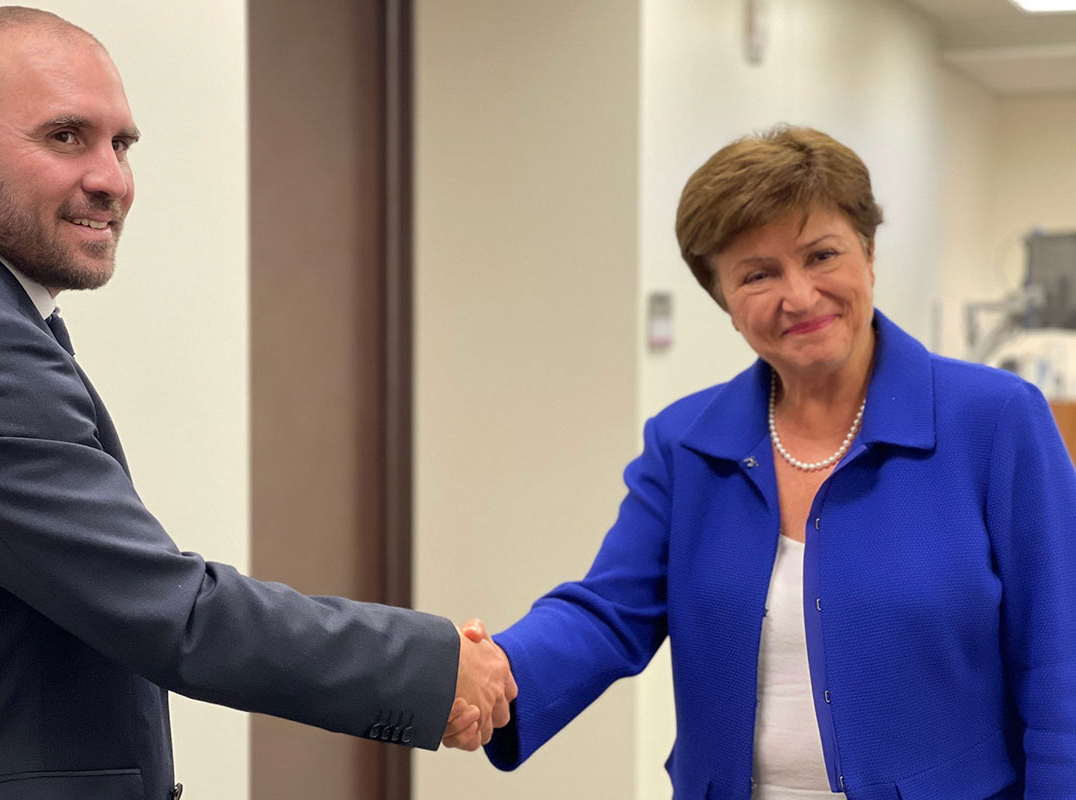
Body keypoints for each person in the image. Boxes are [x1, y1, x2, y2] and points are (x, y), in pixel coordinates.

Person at [0, 7, 512, 799]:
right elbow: (175, 616)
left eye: (122, 144)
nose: (112, 179)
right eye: (66, 136)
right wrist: (434, 667)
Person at [450, 126, 1076, 798]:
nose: (799, 296)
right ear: (724, 300)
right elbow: (608, 612)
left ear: (869, 254)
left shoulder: (995, 421)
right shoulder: (687, 443)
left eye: (822, 255)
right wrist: (494, 671)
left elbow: (1060, 655)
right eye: (758, 274)